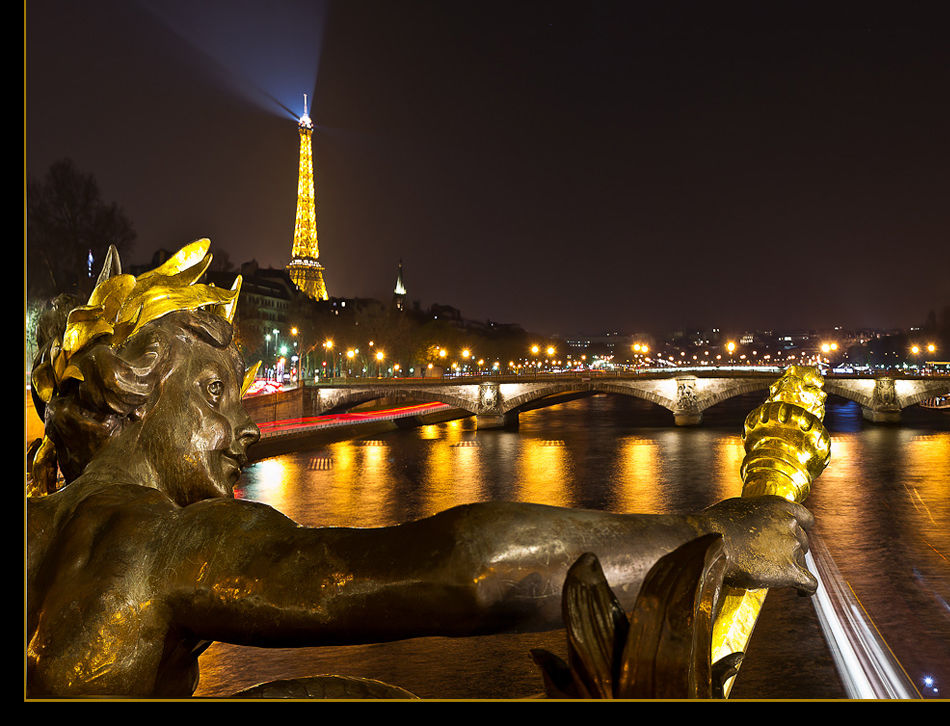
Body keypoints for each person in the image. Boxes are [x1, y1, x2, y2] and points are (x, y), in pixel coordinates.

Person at [26, 241, 816, 698]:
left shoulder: (38, 525)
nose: (244, 425)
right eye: (213, 393)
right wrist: (706, 535)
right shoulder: (167, 543)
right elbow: (463, 568)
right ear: (129, 396)